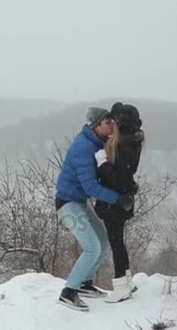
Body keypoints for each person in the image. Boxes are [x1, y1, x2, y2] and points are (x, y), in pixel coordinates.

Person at [55, 107, 134, 312]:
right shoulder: (83, 147)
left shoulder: (96, 143)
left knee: (102, 240)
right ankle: (68, 292)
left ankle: (85, 283)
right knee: (92, 247)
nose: (112, 124)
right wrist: (118, 198)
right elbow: (91, 186)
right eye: (108, 121)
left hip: (79, 202)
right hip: (67, 205)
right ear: (97, 125)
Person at [94, 102, 144, 303]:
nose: (112, 124)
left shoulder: (125, 146)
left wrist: (102, 163)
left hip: (115, 203)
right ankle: (127, 282)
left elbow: (119, 179)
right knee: (118, 242)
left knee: (116, 244)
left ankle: (121, 286)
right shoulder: (131, 141)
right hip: (120, 201)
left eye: (115, 121)